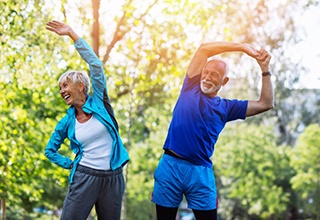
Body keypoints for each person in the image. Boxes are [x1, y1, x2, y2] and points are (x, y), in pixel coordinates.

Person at [151, 41, 273, 220]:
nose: (207, 77)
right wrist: (243, 48)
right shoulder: (189, 87)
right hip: (170, 167)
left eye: (214, 75)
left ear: (224, 81)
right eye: (205, 72)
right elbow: (204, 48)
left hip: (200, 174)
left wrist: (265, 69)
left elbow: (266, 103)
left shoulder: (227, 108)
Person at [44, 20, 129, 220]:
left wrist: (72, 34)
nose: (62, 91)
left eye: (65, 85)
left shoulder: (99, 101)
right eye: (60, 88)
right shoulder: (67, 122)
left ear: (80, 86)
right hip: (84, 177)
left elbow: (95, 64)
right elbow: (50, 150)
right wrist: (70, 164)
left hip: (113, 177)